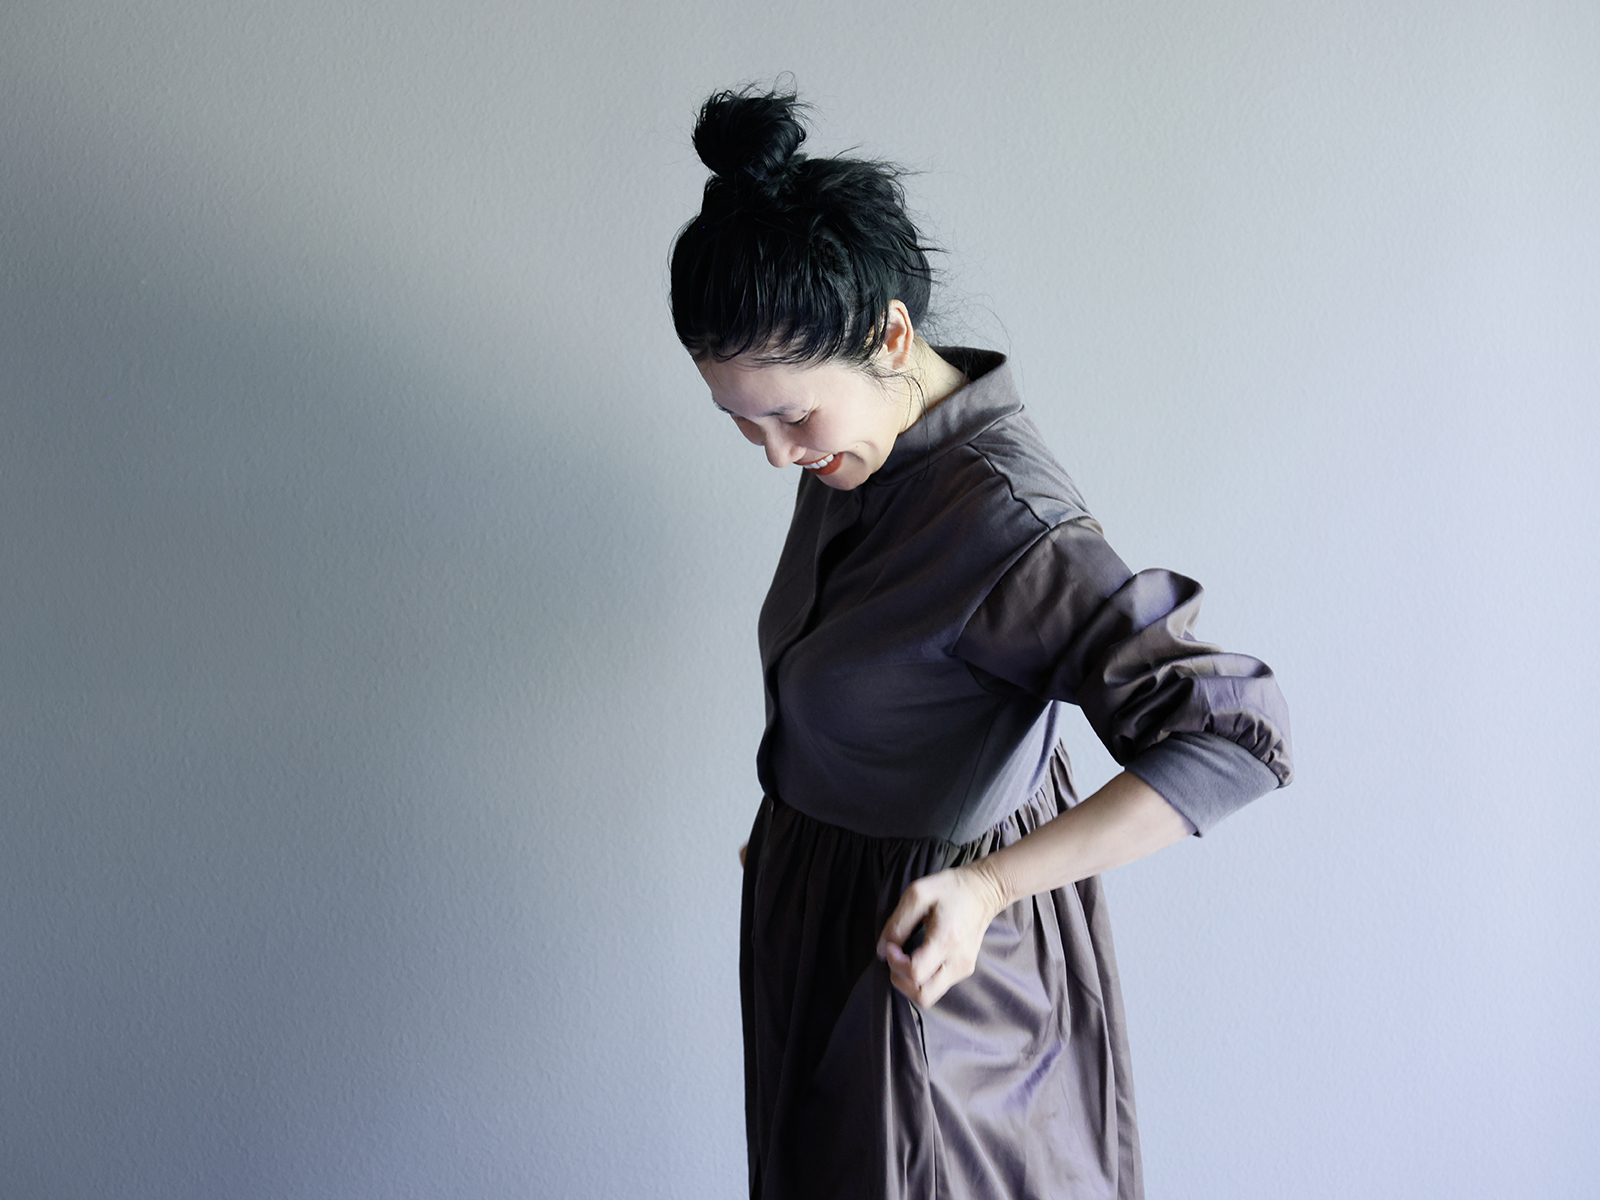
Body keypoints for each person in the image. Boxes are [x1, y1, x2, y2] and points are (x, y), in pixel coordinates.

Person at [669, 86, 1293, 1200]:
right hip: (826, 929)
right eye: (741, 421)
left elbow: (1232, 736)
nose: (773, 454)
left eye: (791, 416)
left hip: (934, 981)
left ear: (889, 336)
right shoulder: (866, 440)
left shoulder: (1009, 525)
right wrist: (801, 822)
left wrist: (991, 888)